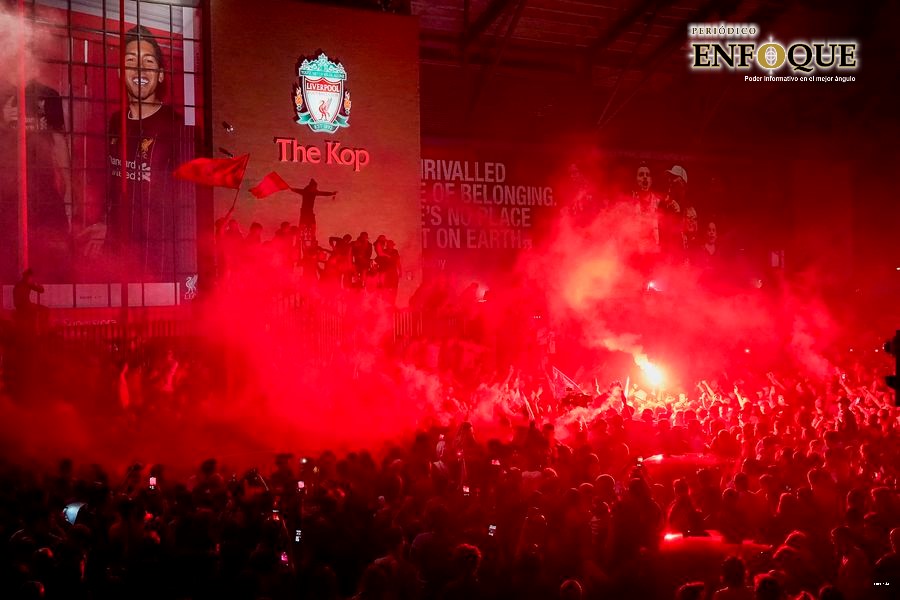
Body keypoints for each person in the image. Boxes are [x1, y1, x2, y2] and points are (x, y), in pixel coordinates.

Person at [102, 25, 188, 282]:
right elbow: (109, 184)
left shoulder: (177, 126)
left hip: (158, 254)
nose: (139, 68)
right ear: (120, 72)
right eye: (131, 61)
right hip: (117, 248)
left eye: (148, 61)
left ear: (160, 75)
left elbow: (186, 199)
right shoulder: (116, 121)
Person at [1, 76, 74, 281]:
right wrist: (3, 121)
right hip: (5, 192)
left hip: (44, 189)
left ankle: (52, 302)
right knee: (8, 257)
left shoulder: (48, 95)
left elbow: (58, 141)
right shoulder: (1, 91)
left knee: (52, 256)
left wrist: (68, 188)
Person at [12, 268, 47, 333]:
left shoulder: (18, 285)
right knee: (44, 309)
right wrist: (38, 284)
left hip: (19, 307)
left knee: (36, 310)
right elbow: (41, 290)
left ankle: (36, 329)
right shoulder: (28, 284)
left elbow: (16, 301)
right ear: (28, 277)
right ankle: (41, 330)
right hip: (26, 306)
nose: (31, 279)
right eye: (30, 277)